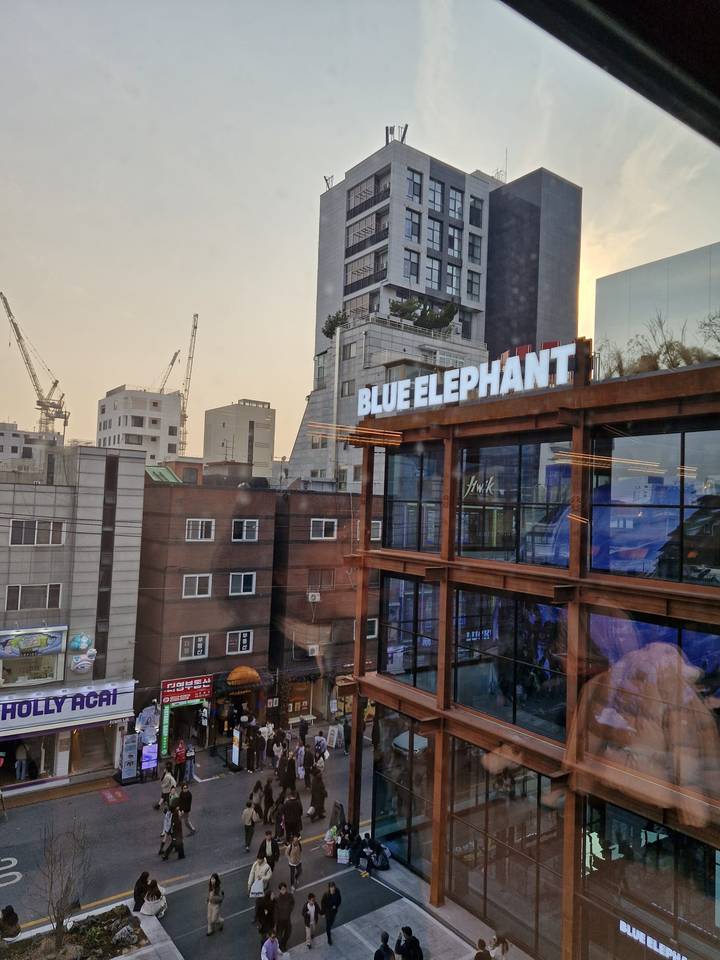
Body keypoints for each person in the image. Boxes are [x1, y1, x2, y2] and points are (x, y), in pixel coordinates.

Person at [274, 882, 295, 953]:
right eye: (282, 889)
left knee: (288, 933)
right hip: (280, 922)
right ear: (279, 890)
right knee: (279, 936)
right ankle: (280, 946)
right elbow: (275, 912)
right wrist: (276, 922)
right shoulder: (277, 900)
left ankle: (284, 944)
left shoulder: (290, 896)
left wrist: (290, 910)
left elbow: (292, 903)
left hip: (287, 920)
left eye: (284, 889)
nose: (283, 890)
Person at [320, 881, 341, 946]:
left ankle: (329, 930)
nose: (332, 889)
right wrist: (323, 913)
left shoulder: (337, 892)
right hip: (328, 912)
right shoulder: (326, 895)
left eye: (333, 887)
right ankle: (329, 938)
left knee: (332, 922)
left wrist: (336, 906)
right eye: (331, 888)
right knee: (328, 926)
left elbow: (339, 900)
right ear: (329, 888)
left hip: (334, 912)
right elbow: (322, 903)